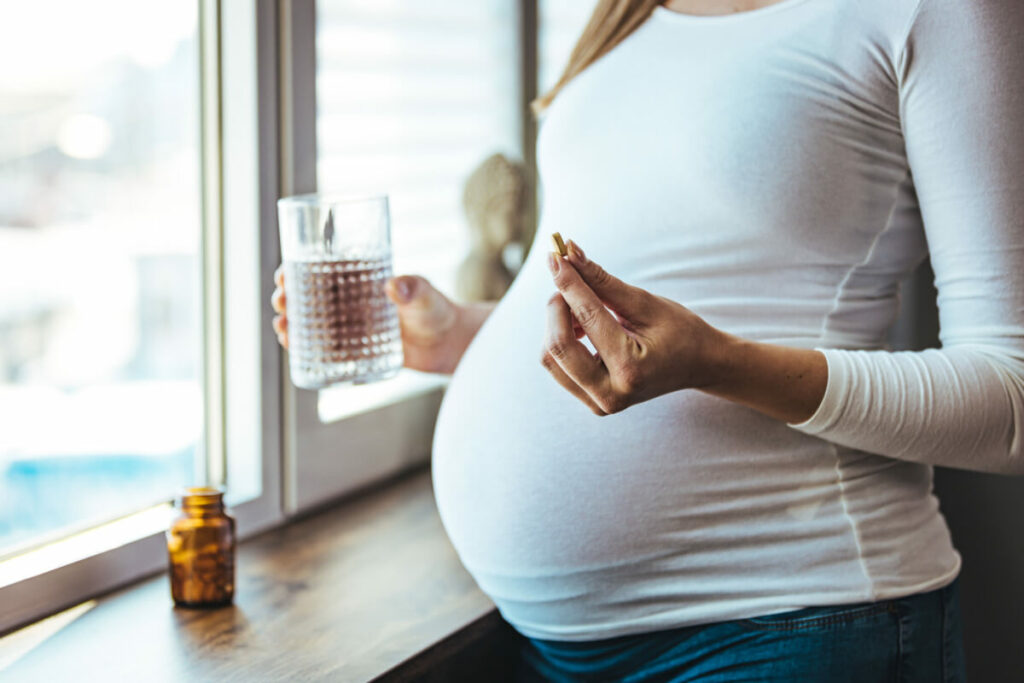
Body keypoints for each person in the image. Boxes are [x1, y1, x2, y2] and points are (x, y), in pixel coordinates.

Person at [272, 0, 1024, 679]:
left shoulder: (934, 11)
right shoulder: (623, 14)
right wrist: (466, 336)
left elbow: (1012, 397)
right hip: (548, 647)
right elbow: (653, 289)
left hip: (788, 624)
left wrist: (716, 362)